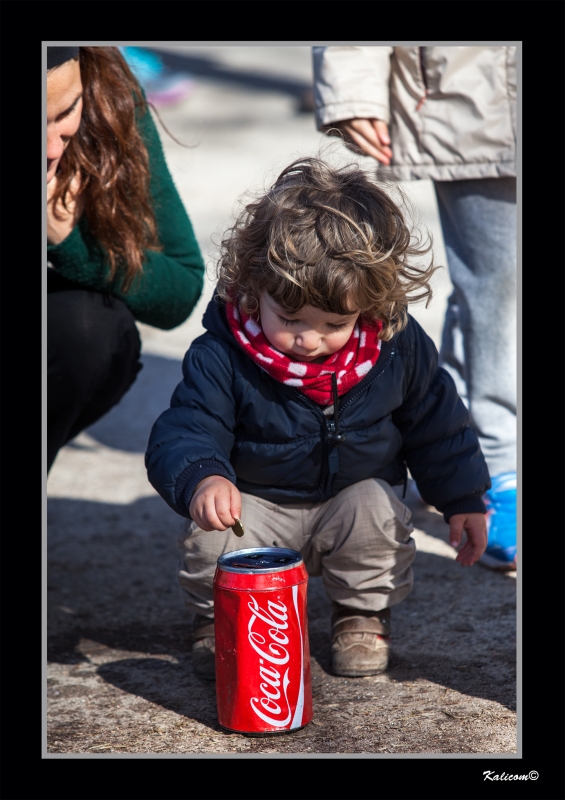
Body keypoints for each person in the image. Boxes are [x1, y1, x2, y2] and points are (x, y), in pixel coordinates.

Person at [145, 157, 490, 681]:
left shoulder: (395, 348)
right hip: (256, 503)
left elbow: (438, 424)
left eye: (334, 323)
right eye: (290, 319)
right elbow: (188, 425)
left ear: (369, 304)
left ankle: (361, 612)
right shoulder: (224, 352)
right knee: (214, 535)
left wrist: (462, 498)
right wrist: (204, 475)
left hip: (349, 498)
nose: (309, 339)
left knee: (377, 510)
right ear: (253, 283)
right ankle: (222, 619)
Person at [311, 46, 517, 572]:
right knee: (498, 293)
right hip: (479, 95)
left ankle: (464, 454)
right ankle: (499, 467)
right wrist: (352, 83)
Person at [47, 46, 205, 472]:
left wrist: (69, 241)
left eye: (63, 113)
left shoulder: (107, 89)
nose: (49, 147)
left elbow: (182, 285)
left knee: (91, 330)